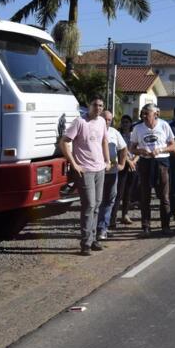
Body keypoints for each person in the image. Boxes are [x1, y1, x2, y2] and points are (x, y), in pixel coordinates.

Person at [59, 97, 110, 255]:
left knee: (97, 204)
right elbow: (64, 142)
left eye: (101, 105)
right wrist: (74, 164)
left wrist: (107, 160)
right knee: (89, 205)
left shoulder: (101, 121)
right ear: (89, 106)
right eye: (95, 105)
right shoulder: (80, 122)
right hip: (85, 170)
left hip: (99, 169)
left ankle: (93, 239)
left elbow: (104, 141)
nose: (98, 108)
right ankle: (85, 243)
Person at [130, 103, 175, 236]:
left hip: (161, 162)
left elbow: (173, 146)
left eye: (147, 113)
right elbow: (131, 148)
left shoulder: (164, 125)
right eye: (143, 113)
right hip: (145, 162)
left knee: (164, 196)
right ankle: (146, 227)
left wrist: (161, 149)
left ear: (155, 114)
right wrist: (140, 151)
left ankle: (165, 226)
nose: (144, 116)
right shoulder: (138, 128)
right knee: (145, 196)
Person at [97, 109, 128, 240]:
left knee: (110, 200)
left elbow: (124, 148)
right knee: (97, 201)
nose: (107, 122)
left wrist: (122, 164)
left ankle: (103, 228)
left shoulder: (115, 133)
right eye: (105, 119)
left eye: (109, 120)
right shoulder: (94, 130)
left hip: (112, 173)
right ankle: (95, 229)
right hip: (97, 172)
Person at [112, 114, 137, 227]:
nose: (125, 124)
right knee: (119, 193)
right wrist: (128, 161)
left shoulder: (134, 135)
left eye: (127, 122)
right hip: (122, 165)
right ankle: (112, 218)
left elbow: (140, 148)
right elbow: (119, 150)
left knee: (129, 192)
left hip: (133, 165)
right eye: (123, 122)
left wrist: (134, 161)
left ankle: (125, 215)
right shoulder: (118, 135)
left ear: (131, 123)